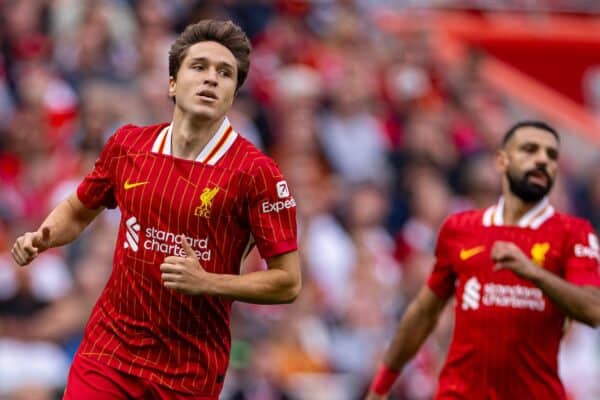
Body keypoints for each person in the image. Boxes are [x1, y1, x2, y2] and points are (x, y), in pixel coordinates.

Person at [11, 19, 301, 400]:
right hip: (110, 353)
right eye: (199, 67)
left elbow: (288, 282)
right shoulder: (128, 145)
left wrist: (209, 282)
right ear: (172, 84)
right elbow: (78, 210)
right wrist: (42, 237)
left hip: (188, 371)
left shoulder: (256, 173)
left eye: (225, 73)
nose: (211, 79)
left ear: (233, 93)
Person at [366, 121, 600, 399]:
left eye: (550, 155)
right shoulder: (459, 230)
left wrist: (535, 274)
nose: (541, 160)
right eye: (530, 150)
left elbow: (593, 309)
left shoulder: (575, 234)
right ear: (502, 161)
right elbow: (423, 313)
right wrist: (381, 385)